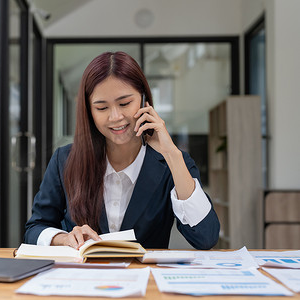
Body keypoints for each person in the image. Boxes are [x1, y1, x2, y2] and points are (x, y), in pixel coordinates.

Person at [24, 51, 219, 250]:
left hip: (147, 279)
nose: (115, 117)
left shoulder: (172, 162)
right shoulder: (65, 160)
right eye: (101, 108)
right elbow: (35, 228)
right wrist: (63, 238)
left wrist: (172, 154)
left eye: (125, 103)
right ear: (89, 112)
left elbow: (206, 237)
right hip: (84, 278)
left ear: (144, 100)